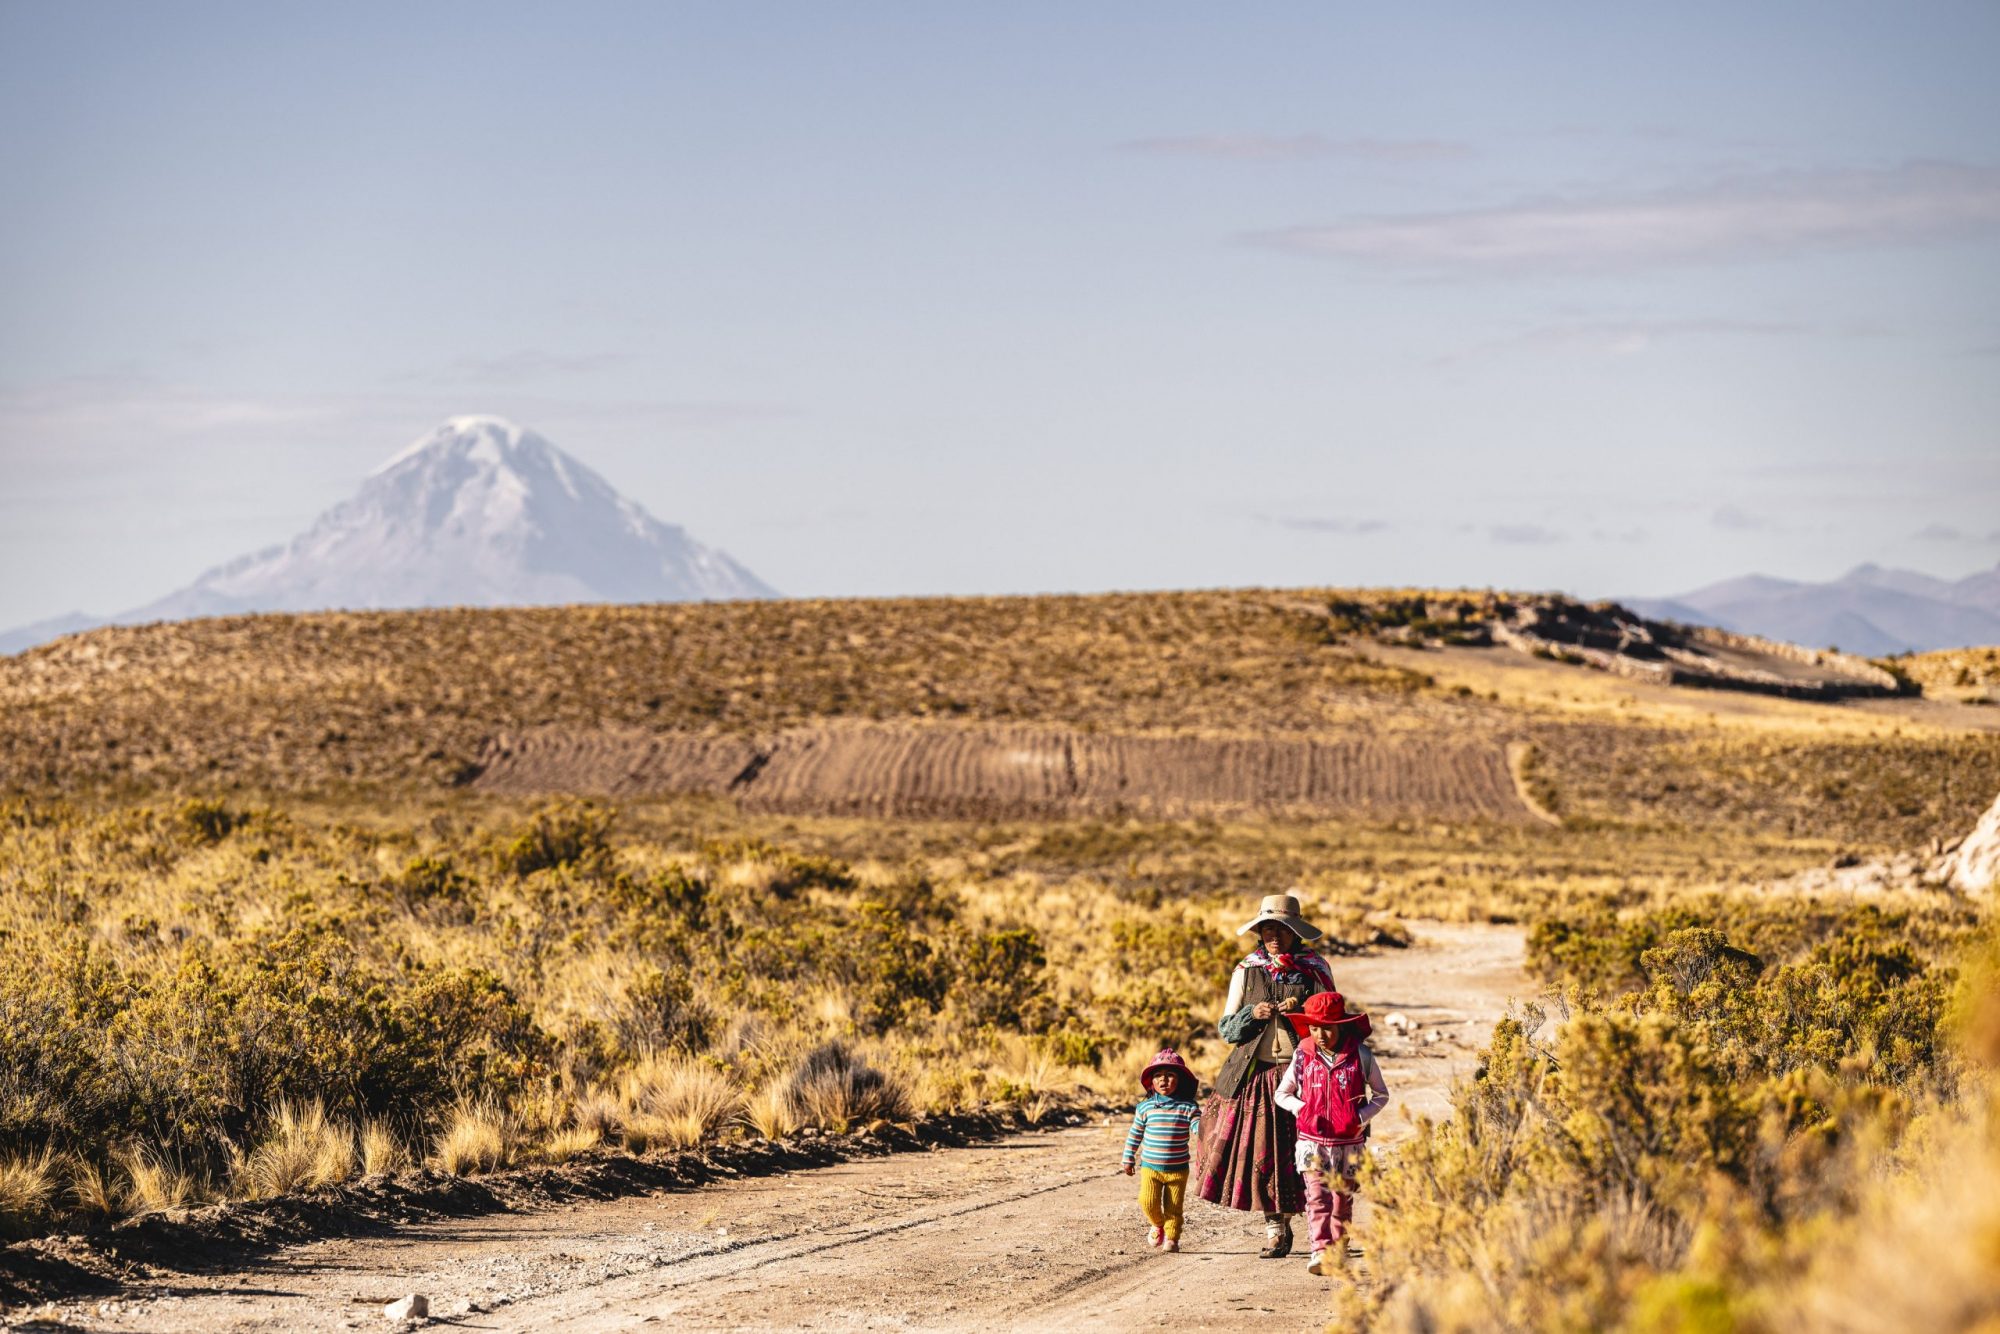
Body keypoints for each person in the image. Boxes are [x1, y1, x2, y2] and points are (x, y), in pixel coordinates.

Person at [1190, 893, 1336, 1259]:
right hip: (1255, 1076)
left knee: (1309, 1152)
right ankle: (1276, 1227)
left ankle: (1323, 1231)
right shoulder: (1246, 970)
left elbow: (1332, 1022)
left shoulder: (1314, 969)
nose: (1274, 936)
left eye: (1281, 929)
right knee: (1265, 1153)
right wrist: (1252, 1014)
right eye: (1268, 928)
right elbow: (1227, 1028)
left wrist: (1300, 1011)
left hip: (1305, 1074)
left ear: (1295, 932)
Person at [1274, 990, 1389, 1276]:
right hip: (1312, 1143)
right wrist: (1303, 1109)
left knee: (1341, 1198)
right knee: (1317, 1196)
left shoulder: (1360, 1056)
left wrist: (1359, 1117)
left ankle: (1339, 1248)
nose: (1320, 1034)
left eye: (1327, 1028)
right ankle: (1320, 1250)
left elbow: (1381, 1095)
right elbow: (1282, 1093)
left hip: (1348, 1144)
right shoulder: (1302, 1055)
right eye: (1314, 1028)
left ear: (1341, 1025)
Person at [1121, 1047, 1202, 1252]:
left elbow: (1197, 1128)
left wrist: (1206, 1128)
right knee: (1147, 1201)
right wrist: (1128, 1157)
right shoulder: (1145, 1107)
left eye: (1170, 1075)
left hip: (1178, 1169)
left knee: (1174, 1207)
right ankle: (1158, 1224)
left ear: (1180, 1080)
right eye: (1157, 1076)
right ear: (1151, 1082)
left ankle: (1172, 1239)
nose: (1163, 1080)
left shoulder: (1188, 1107)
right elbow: (1135, 1134)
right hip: (1151, 1167)